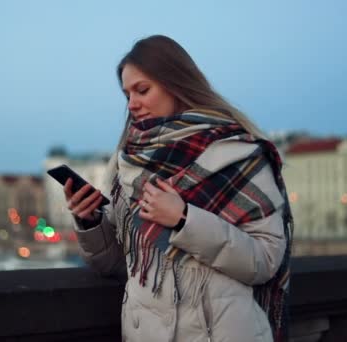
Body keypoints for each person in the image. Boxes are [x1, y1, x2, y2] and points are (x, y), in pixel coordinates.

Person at [63, 35, 293, 342]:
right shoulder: (127, 164)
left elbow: (265, 260)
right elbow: (120, 265)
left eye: (142, 90)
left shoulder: (238, 154)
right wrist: (90, 221)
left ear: (175, 83)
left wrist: (185, 219)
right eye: (127, 94)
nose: (132, 104)